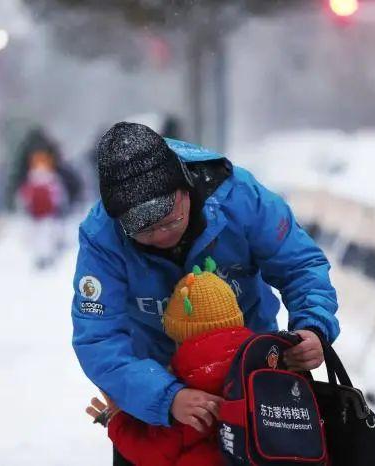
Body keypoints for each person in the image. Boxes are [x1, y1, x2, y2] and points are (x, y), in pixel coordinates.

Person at [71, 122, 340, 465]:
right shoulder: (103, 238)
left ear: (184, 188)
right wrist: (166, 398)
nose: (162, 235)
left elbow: (300, 266)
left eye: (170, 221)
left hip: (251, 379)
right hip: (155, 384)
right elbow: (98, 338)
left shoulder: (240, 198)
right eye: (146, 231)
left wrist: (313, 328)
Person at [87, 257, 254, 465]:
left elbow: (150, 454)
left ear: (179, 337)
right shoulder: (259, 369)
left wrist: (116, 420)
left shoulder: (186, 398)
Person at [17, 150, 67, 269]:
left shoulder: (31, 178)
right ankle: (47, 257)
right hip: (48, 215)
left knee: (38, 238)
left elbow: (23, 197)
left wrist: (25, 209)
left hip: (35, 216)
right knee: (48, 237)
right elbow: (59, 196)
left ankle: (40, 258)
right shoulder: (52, 178)